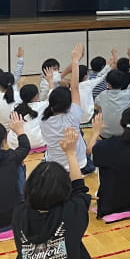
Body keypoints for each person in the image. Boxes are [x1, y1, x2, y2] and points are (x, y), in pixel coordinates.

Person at [6, 128, 95, 259]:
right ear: (65, 192)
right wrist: (70, 153)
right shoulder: (72, 211)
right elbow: (80, 189)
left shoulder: (19, 212)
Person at [88, 107, 130, 217]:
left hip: (111, 203)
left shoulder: (108, 145)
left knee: (102, 164)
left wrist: (96, 132)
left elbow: (90, 150)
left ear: (120, 122)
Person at [42, 45, 93, 174]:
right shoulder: (73, 114)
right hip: (77, 164)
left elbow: (53, 93)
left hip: (54, 165)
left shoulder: (43, 116)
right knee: (79, 135)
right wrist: (75, 60)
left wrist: (50, 82)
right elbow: (75, 87)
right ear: (68, 103)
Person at [10, 85, 47, 150]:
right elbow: (52, 97)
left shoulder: (14, 106)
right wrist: (50, 83)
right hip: (38, 142)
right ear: (36, 96)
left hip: (17, 143)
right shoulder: (43, 105)